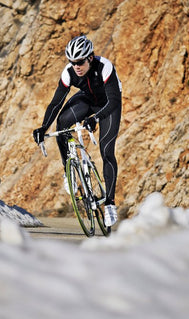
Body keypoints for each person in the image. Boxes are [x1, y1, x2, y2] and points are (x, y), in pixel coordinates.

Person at [33, 35, 122, 226]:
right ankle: (69, 171)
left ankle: (110, 204)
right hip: (87, 100)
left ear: (90, 58)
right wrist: (42, 127)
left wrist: (95, 119)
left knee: (106, 151)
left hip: (108, 104)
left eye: (80, 62)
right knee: (62, 124)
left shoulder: (104, 66)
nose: (76, 67)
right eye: (72, 63)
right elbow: (56, 102)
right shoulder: (69, 73)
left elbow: (114, 100)